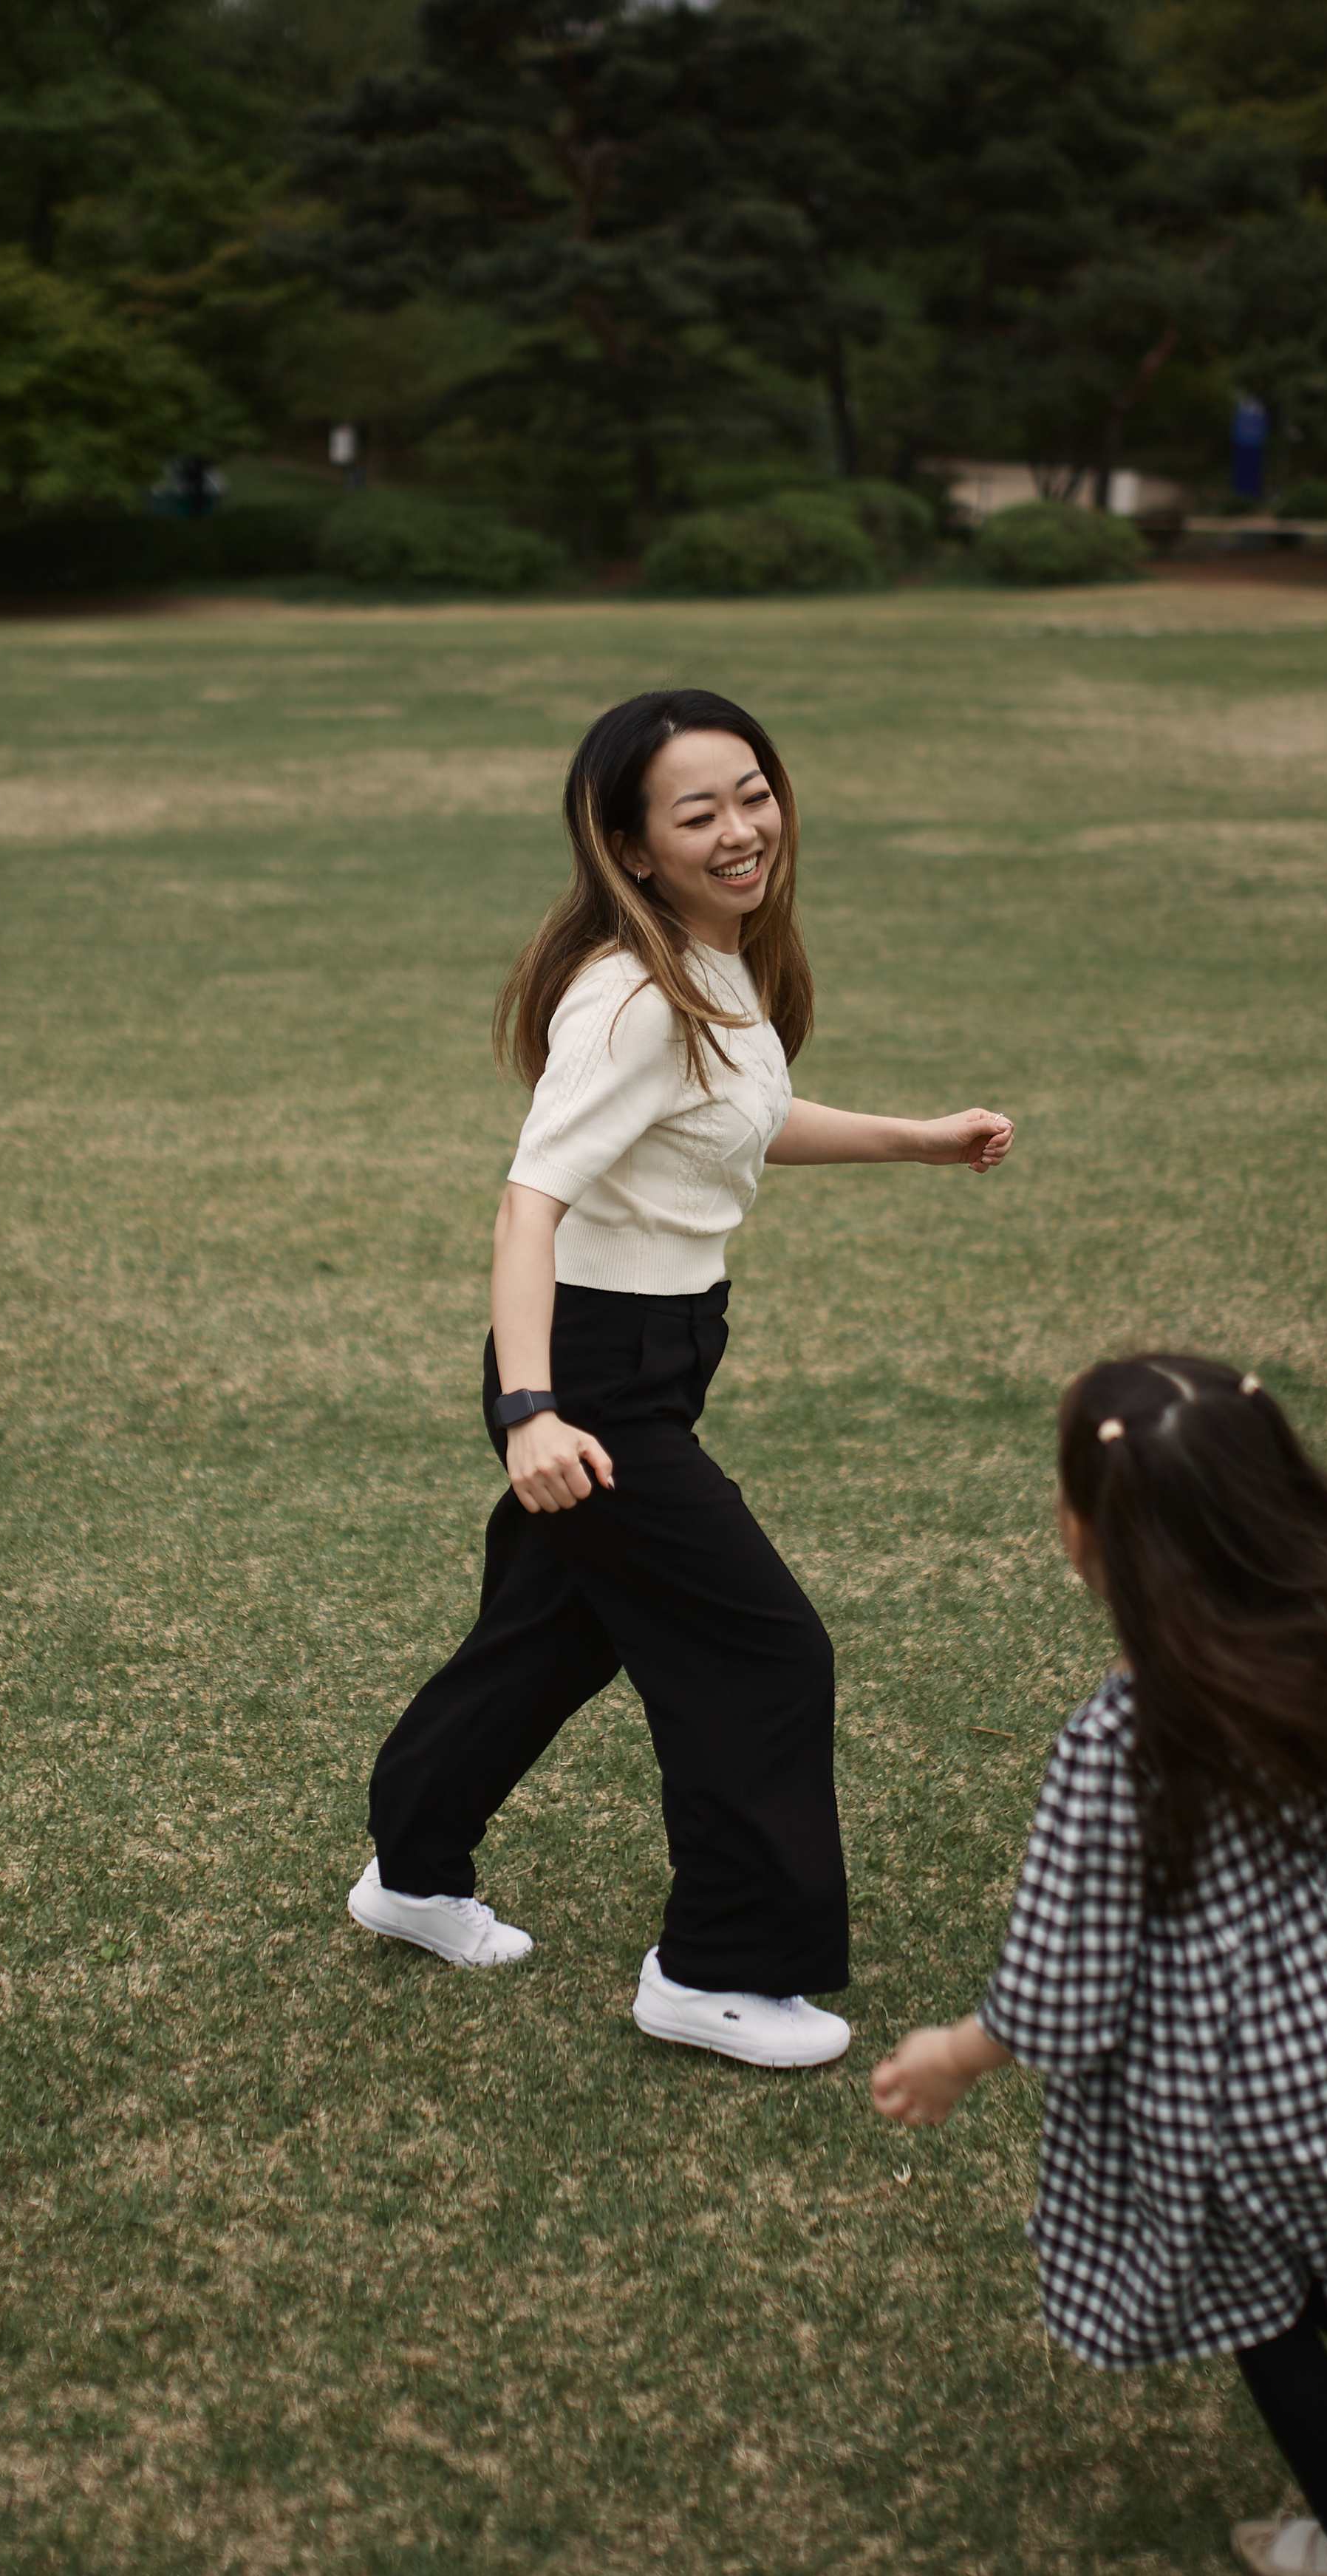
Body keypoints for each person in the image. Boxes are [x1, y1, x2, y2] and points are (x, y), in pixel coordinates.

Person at [347, 689, 1013, 2069]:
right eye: (696, 812)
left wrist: (920, 1140)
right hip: (589, 1376)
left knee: (553, 1632)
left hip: (653, 1352)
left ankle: (409, 1873)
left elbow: (743, 1124)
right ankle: (715, 1969)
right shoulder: (637, 996)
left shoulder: (715, 962)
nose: (739, 828)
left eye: (753, 792)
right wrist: (532, 1411)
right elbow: (529, 1200)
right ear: (633, 847)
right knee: (764, 1652)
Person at [871, 1352, 1327, 2576]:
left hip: (1205, 2083)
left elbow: (1066, 1979)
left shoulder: (1121, 1741)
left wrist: (958, 2049)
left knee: (1254, 2305)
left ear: (1081, 1533)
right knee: (1320, 2205)